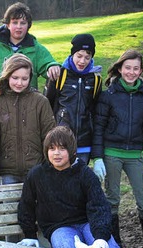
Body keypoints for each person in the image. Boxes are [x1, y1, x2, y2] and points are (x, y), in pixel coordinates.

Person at [0, 53, 56, 248]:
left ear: (30, 78)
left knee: (39, 217)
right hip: (7, 172)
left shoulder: (40, 102)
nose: (19, 82)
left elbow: (50, 135)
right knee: (12, 221)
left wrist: (49, 168)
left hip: (36, 170)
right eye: (15, 77)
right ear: (7, 77)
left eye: (24, 78)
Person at [91, 49, 143, 248]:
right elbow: (98, 128)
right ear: (119, 68)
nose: (131, 72)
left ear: (141, 71)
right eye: (127, 68)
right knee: (112, 199)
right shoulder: (108, 95)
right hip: (111, 153)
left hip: (134, 154)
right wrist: (97, 157)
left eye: (136, 69)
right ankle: (117, 245)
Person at [0, 1, 60, 112]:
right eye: (15, 22)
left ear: (28, 25)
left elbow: (49, 64)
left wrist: (52, 66)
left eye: (23, 23)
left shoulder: (36, 49)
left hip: (28, 109)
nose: (19, 27)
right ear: (7, 24)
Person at [44, 33, 102, 165]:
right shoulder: (60, 75)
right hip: (61, 142)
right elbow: (47, 105)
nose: (82, 61)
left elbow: (95, 110)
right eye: (79, 56)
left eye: (87, 57)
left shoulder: (95, 79)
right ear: (72, 54)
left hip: (84, 143)